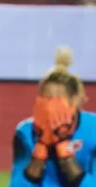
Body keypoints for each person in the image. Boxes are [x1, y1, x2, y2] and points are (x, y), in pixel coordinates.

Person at [9, 46, 96, 186]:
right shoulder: (25, 132)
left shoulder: (93, 129)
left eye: (57, 101)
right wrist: (40, 150)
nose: (50, 109)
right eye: (44, 101)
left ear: (73, 101)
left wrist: (64, 150)